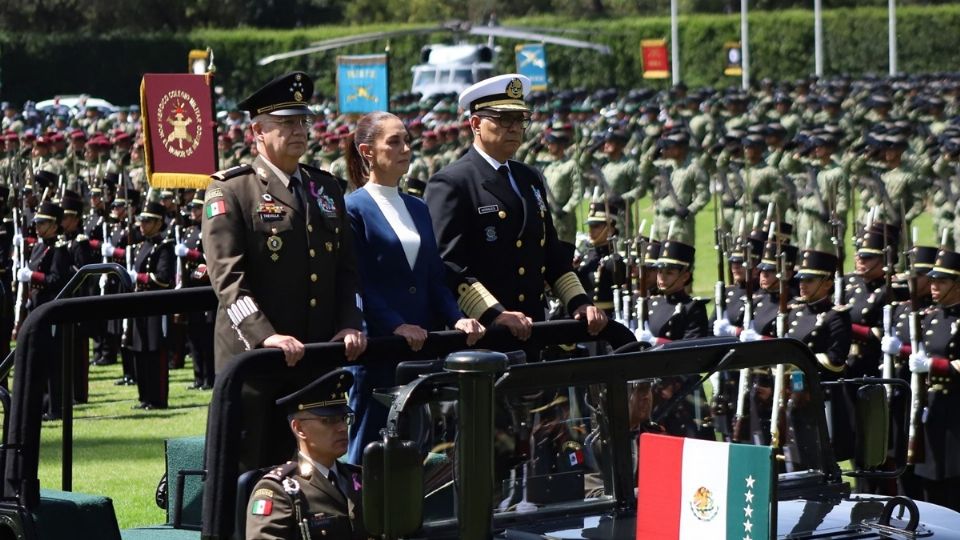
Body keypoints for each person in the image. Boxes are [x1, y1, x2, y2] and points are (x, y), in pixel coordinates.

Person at [203, 71, 366, 470]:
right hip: (258, 365)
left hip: (316, 359)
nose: (299, 131)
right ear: (257, 131)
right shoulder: (231, 190)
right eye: (286, 123)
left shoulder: (324, 188)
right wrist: (266, 336)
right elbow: (228, 280)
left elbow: (345, 270)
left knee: (316, 473)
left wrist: (349, 323)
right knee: (253, 472)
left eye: (302, 122)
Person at [343, 111, 485, 463]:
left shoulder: (417, 207)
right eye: (394, 141)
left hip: (420, 351)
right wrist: (395, 324)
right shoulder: (353, 208)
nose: (406, 148)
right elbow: (358, 280)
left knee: (416, 454)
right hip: (378, 351)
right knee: (367, 455)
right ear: (367, 151)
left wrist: (456, 318)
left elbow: (432, 276)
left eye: (407, 140)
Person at [423, 74, 607, 345]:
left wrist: (579, 302)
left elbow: (551, 253)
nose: (515, 128)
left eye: (520, 119)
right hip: (483, 334)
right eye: (504, 120)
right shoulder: (452, 182)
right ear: (475, 123)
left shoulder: (528, 177)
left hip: (533, 327)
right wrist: (494, 314)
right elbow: (449, 265)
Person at [245, 369, 370, 539]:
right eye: (328, 421)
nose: (342, 427)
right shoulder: (280, 490)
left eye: (343, 418)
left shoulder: (359, 479)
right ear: (299, 428)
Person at [904, 248, 960, 511]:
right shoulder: (932, 316)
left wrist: (933, 365)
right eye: (933, 280)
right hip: (931, 408)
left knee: (952, 485)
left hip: (955, 412)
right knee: (928, 484)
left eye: (942, 281)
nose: (934, 286)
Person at [127, 202, 176, 410]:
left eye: (147, 221)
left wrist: (138, 277)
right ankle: (144, 396)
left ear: (158, 223)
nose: (142, 225)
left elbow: (164, 278)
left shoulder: (164, 246)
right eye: (141, 220)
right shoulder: (140, 246)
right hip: (140, 305)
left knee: (155, 353)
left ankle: (157, 398)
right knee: (140, 351)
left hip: (156, 306)